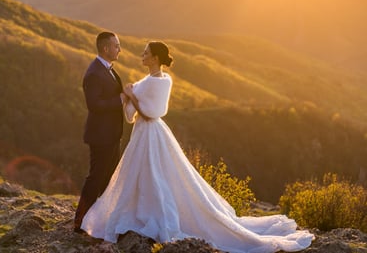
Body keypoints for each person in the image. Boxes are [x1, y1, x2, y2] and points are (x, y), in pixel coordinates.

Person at [81, 41, 314, 252]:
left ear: (154, 58)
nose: (141, 55)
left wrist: (131, 97)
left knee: (153, 175)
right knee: (146, 176)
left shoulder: (155, 82)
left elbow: (150, 113)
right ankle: (139, 213)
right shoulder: (155, 81)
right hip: (146, 134)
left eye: (146, 53)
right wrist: (132, 97)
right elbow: (133, 116)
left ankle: (150, 216)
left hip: (150, 134)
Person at [74, 31, 125, 233]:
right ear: (105, 48)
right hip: (101, 136)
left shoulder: (109, 70)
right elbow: (94, 105)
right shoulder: (94, 73)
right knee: (96, 177)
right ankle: (80, 221)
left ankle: (99, 220)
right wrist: (120, 100)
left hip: (112, 134)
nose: (119, 49)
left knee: (108, 178)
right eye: (116, 45)